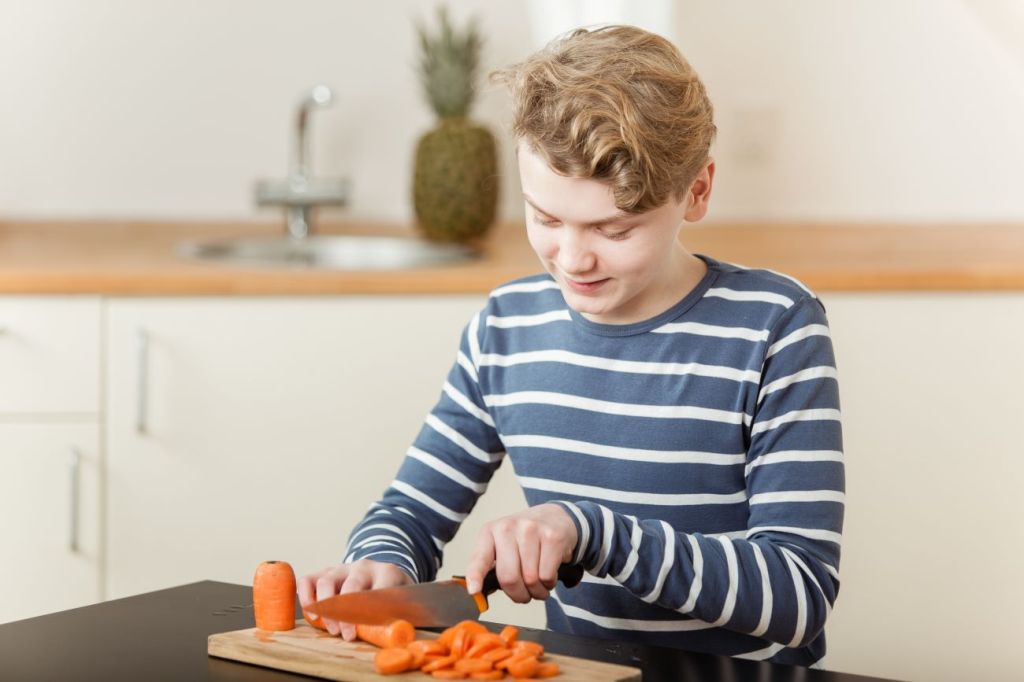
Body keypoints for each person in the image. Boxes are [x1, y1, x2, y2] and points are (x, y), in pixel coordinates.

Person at [298, 24, 844, 667]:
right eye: (546, 218)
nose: (573, 259)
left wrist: (592, 531)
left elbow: (798, 594)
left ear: (696, 191)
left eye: (615, 228)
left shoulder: (774, 326)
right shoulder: (507, 328)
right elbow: (411, 510)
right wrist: (379, 564)